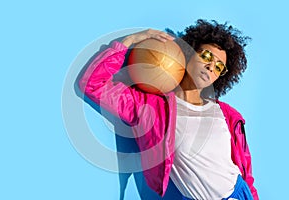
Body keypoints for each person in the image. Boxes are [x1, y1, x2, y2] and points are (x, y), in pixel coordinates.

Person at [76, 19, 259, 199]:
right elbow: (93, 85)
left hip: (240, 194)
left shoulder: (228, 115)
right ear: (189, 53)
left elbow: (246, 174)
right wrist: (130, 41)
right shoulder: (151, 109)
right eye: (206, 56)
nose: (211, 66)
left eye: (220, 67)